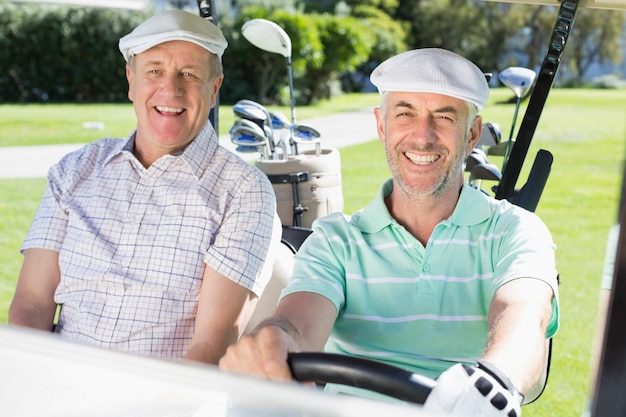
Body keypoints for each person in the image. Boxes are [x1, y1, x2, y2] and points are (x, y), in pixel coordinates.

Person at [219, 48, 560, 416]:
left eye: (444, 117)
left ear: (472, 134)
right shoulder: (336, 241)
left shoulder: (516, 231)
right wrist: (278, 337)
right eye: (405, 114)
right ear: (382, 126)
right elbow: (297, 324)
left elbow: (524, 315)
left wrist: (495, 378)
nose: (422, 136)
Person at [8, 10, 281, 365]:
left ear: (214, 89)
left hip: (162, 397)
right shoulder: (75, 169)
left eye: (189, 73)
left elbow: (211, 345)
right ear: (131, 80)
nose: (171, 89)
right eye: (154, 71)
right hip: (58, 381)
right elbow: (31, 302)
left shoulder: (243, 191)